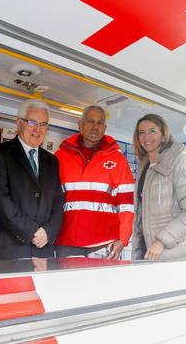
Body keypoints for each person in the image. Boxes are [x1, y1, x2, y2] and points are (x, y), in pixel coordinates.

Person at [54, 105, 134, 259]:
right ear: (80, 124)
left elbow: (126, 204)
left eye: (100, 123)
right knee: (67, 284)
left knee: (102, 284)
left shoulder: (118, 159)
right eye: (90, 121)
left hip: (105, 243)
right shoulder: (60, 157)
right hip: (67, 242)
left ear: (104, 128)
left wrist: (123, 239)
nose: (95, 127)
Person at [0, 99, 64, 259]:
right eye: (32, 122)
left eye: (43, 124)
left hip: (43, 250)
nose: (38, 129)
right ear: (18, 123)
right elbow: (0, 200)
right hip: (10, 250)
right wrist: (32, 231)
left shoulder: (52, 160)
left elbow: (58, 202)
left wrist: (48, 232)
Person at [131, 114, 186, 261]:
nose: (146, 137)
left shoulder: (178, 160)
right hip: (150, 251)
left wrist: (161, 241)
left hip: (180, 252)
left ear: (164, 136)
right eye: (141, 132)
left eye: (152, 131)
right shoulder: (144, 167)